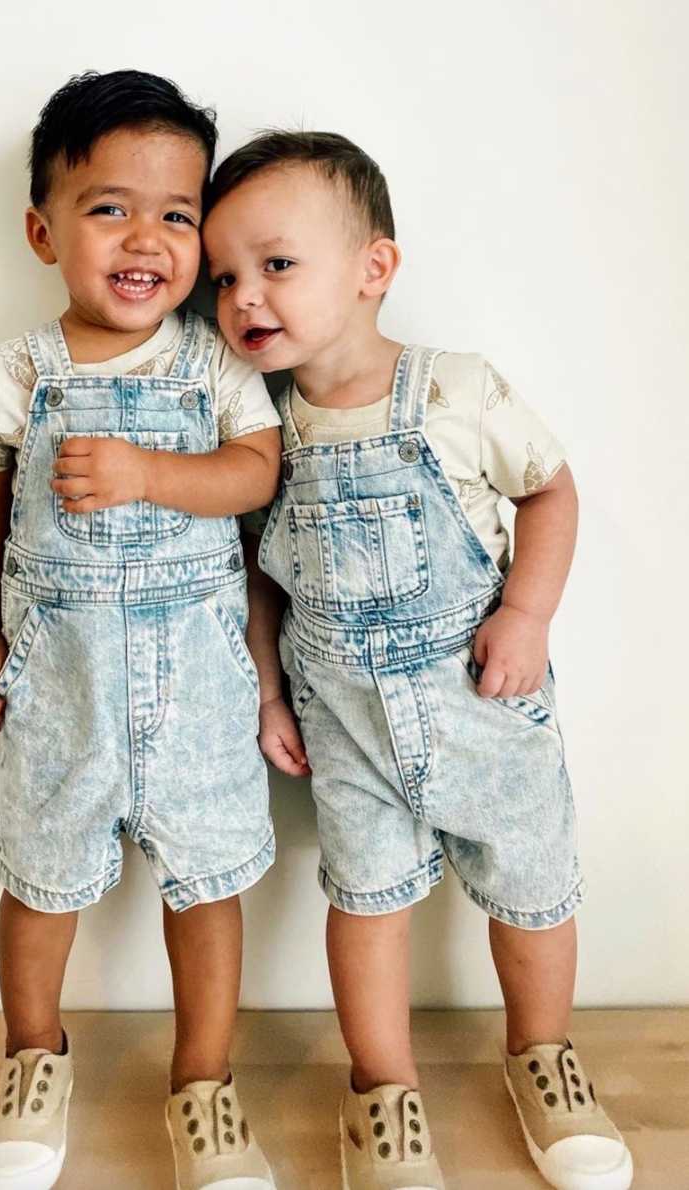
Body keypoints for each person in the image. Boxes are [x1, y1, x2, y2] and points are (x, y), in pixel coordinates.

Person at [202, 129, 633, 1190]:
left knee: (533, 890)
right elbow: (258, 573)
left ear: (374, 267)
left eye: (276, 264)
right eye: (224, 278)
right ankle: (382, 1092)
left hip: (483, 697)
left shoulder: (453, 390)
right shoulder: (263, 436)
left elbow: (551, 488)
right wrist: (267, 691)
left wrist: (527, 613)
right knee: (367, 900)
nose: (245, 295)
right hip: (345, 719)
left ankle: (543, 1054)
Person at [0, 70, 281, 1190]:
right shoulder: (14, 371)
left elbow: (255, 475)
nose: (146, 236)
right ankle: (31, 1056)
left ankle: (204, 1080)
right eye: (109, 208)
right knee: (42, 876)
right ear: (45, 230)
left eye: (176, 214)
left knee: (211, 877)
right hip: (63, 675)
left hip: (197, 677)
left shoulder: (218, 362)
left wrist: (148, 471)